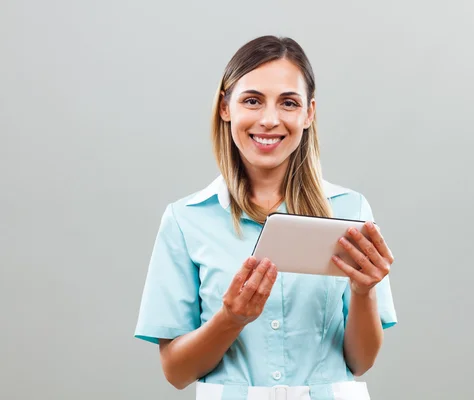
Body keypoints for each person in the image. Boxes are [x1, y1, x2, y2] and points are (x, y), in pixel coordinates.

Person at [134, 35, 398, 400]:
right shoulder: (185, 220)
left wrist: (364, 291)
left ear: (309, 114)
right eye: (252, 101)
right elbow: (176, 373)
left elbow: (360, 361)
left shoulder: (350, 212)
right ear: (226, 107)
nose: (270, 120)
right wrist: (230, 320)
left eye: (288, 103)